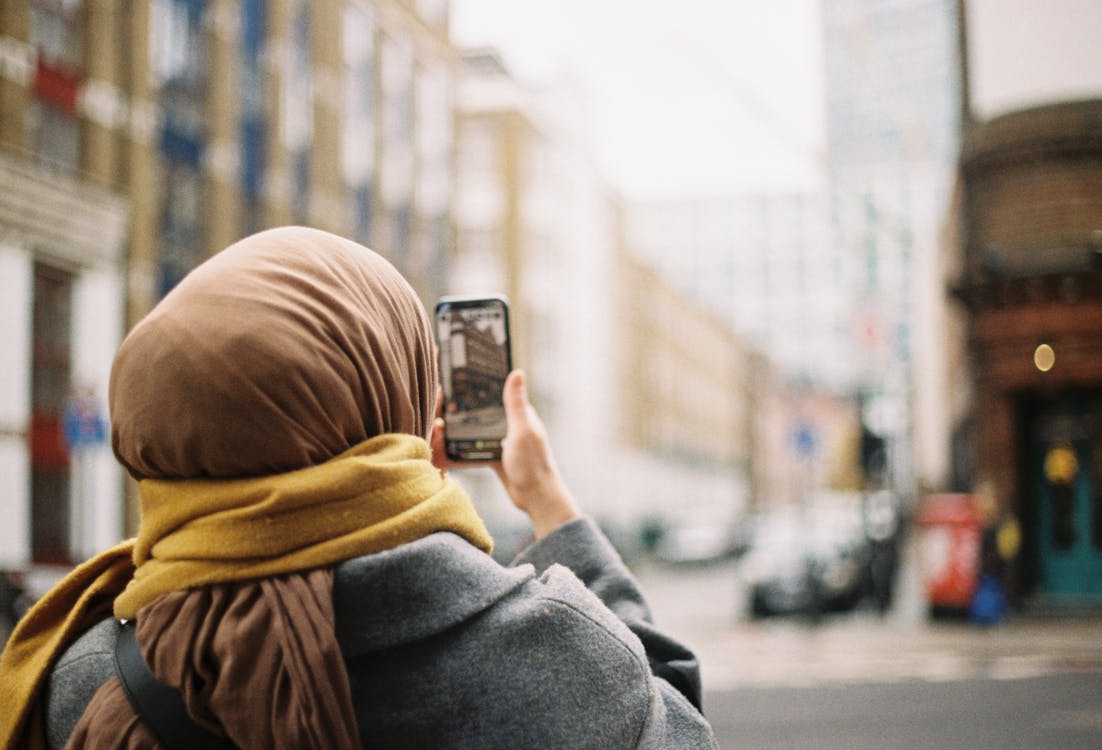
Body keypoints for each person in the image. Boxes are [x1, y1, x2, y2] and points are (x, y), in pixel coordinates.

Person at [0, 226, 717, 750]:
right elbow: (678, 725)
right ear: (389, 403)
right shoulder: (564, 658)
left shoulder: (79, 680)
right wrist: (550, 504)